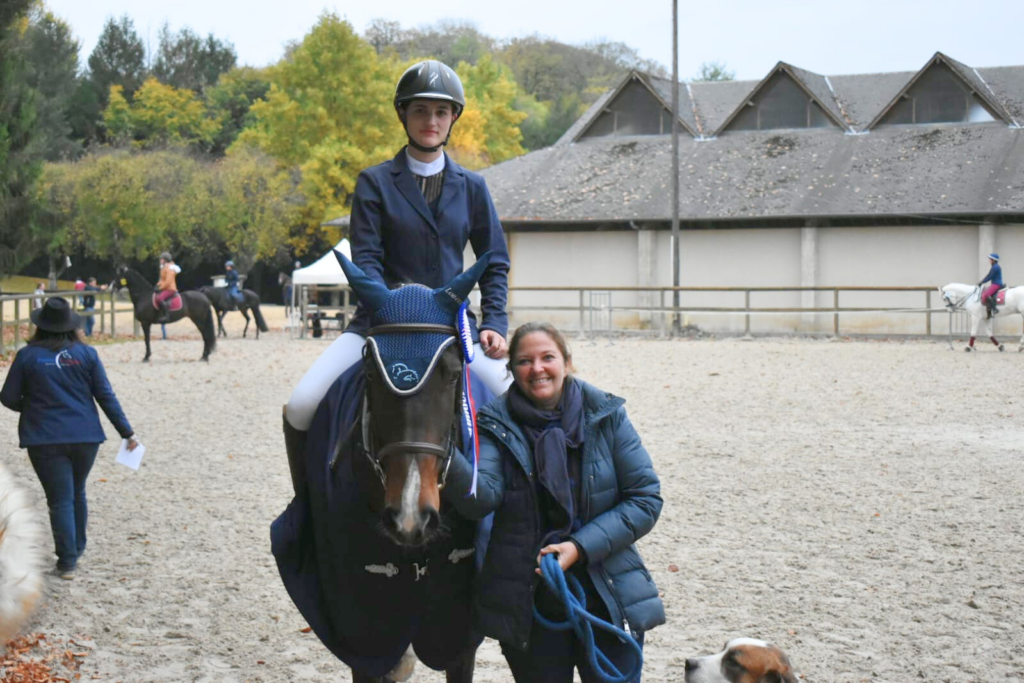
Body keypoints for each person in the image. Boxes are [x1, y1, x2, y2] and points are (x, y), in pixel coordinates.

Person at [283, 60, 512, 464]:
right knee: (302, 405)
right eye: (421, 110)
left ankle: (521, 518)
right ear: (403, 113)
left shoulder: (473, 187)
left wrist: (494, 322)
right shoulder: (374, 182)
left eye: (441, 111)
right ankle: (305, 518)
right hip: (381, 322)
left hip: (451, 326)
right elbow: (366, 261)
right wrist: (392, 308)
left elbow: (494, 261)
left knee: (520, 399)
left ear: (453, 117)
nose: (431, 120)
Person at [441, 322, 665, 683]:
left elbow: (645, 499)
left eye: (548, 357)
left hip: (606, 592)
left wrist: (579, 546)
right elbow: (483, 500)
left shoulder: (607, 416)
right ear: (512, 370)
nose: (538, 368)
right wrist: (446, 458)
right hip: (529, 600)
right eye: (525, 361)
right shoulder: (495, 423)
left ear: (567, 362)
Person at [0, 297, 138, 580]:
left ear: (40, 326)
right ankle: (76, 547)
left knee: (60, 499)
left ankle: (67, 562)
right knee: (77, 491)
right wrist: (127, 432)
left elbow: (8, 397)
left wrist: (33, 406)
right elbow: (105, 396)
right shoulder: (87, 355)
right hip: (85, 436)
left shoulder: (27, 356)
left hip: (44, 437)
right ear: (71, 326)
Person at [154, 252, 178, 323]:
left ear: (166, 260)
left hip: (170, 289)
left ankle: (167, 316)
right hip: (166, 288)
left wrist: (160, 288)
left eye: (161, 259)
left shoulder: (170, 268)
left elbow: (168, 281)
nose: (160, 261)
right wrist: (157, 285)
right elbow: (162, 280)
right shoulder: (164, 268)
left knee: (159, 298)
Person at [979, 253, 1004, 319]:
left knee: (987, 295)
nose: (989, 261)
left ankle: (995, 309)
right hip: (994, 283)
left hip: (997, 284)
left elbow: (990, 276)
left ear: (993, 260)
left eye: (990, 259)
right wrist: (981, 281)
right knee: (985, 293)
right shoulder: (994, 267)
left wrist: (982, 282)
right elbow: (988, 275)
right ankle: (989, 312)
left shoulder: (995, 267)